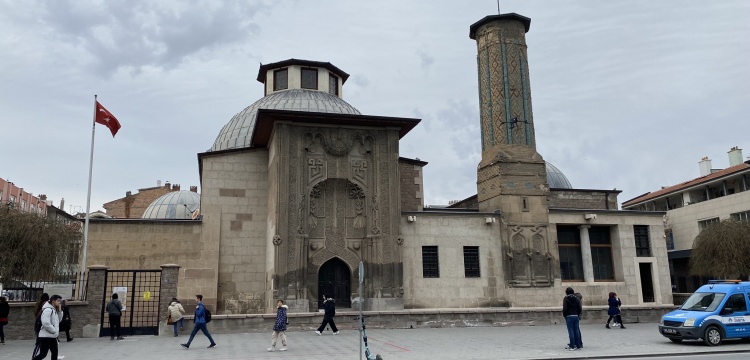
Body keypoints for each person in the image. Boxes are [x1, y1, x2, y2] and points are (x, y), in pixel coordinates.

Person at [32, 294, 63, 360]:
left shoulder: (54, 310)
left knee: (54, 353)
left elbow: (58, 321)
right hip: (46, 336)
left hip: (52, 336)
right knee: (43, 354)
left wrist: (60, 311)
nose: (59, 302)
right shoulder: (48, 310)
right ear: (53, 301)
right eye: (58, 301)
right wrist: (53, 330)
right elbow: (45, 323)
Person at [562, 287, 583, 351]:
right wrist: (578, 313)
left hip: (569, 316)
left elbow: (565, 308)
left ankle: (572, 345)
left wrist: (564, 315)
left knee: (571, 331)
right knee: (576, 330)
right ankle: (578, 345)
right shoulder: (577, 298)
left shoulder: (566, 298)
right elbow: (579, 308)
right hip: (575, 316)